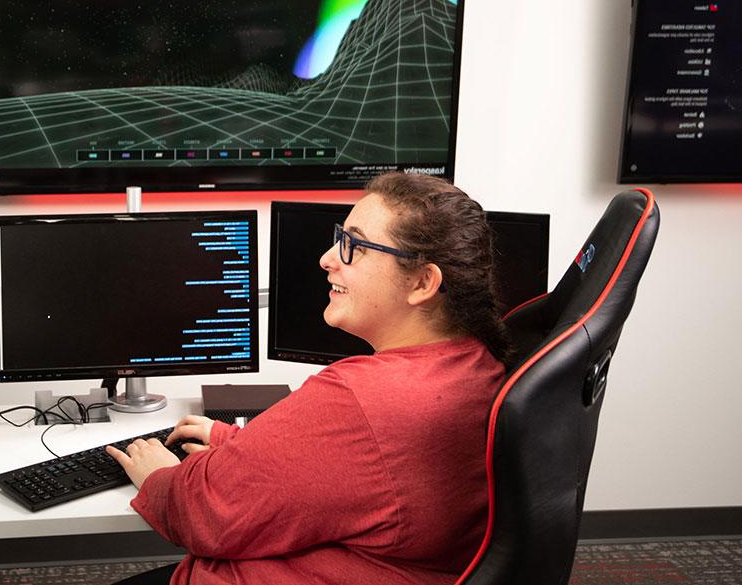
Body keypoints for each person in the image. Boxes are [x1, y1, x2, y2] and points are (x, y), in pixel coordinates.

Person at [106, 173, 510, 585]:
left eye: (354, 245)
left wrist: (158, 476)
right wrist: (233, 441)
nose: (328, 258)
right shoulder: (478, 364)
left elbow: (202, 514)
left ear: (423, 282)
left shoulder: (360, 398)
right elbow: (352, 475)